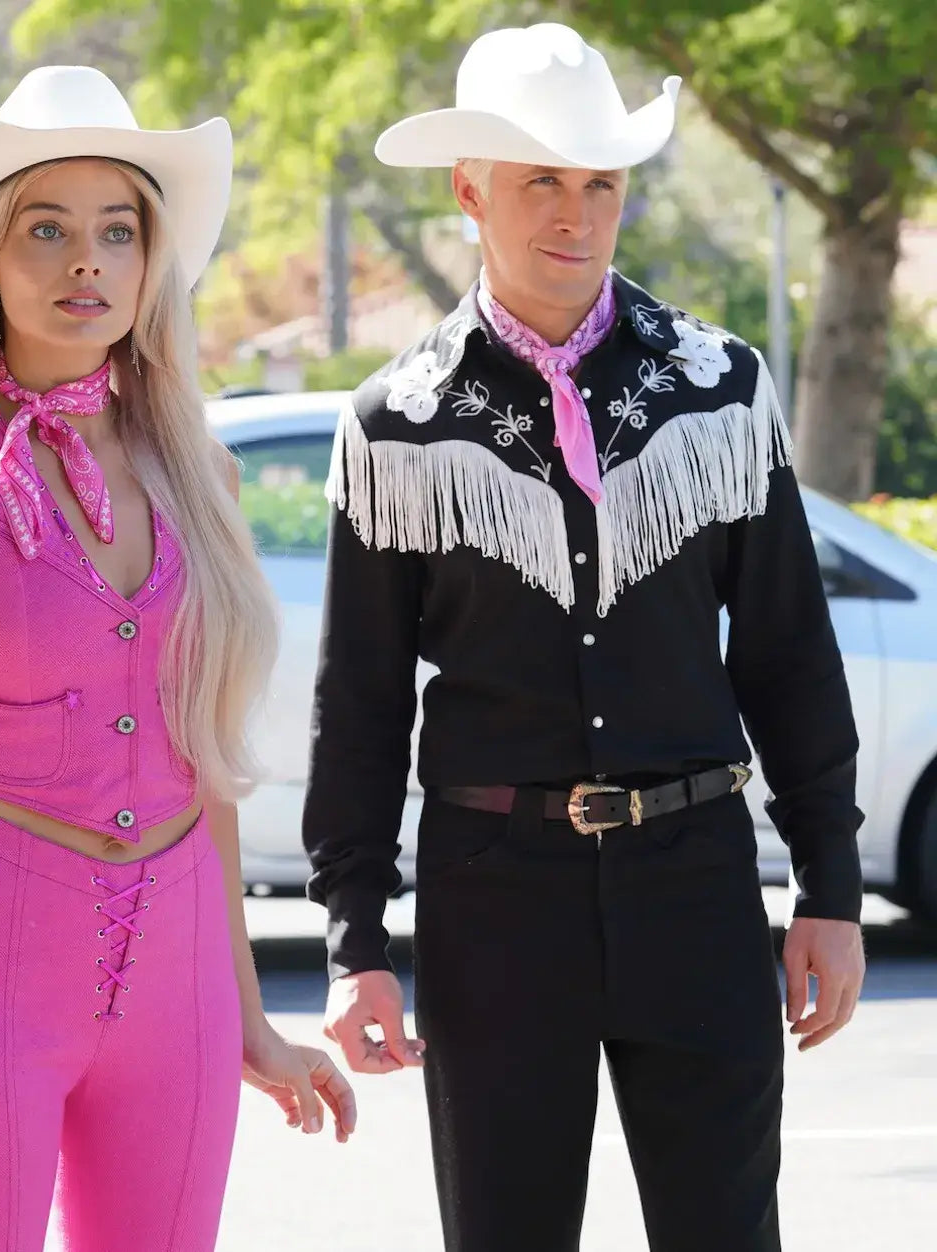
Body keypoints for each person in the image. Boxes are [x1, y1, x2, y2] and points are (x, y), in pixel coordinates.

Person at [303, 23, 865, 1252]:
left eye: (599, 182)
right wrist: (355, 942)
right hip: (492, 900)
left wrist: (829, 884)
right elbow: (360, 707)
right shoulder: (396, 424)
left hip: (698, 880)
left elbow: (784, 650)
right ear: (470, 193)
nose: (575, 213)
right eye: (540, 182)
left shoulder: (720, 388)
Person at [0, 65, 355, 1252]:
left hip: (184, 973)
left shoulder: (198, 475)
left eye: (118, 231)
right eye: (46, 230)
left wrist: (251, 1015)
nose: (87, 263)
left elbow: (206, 765)